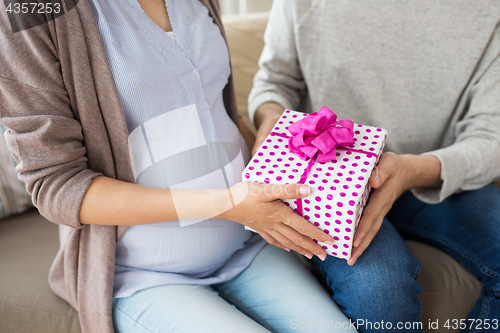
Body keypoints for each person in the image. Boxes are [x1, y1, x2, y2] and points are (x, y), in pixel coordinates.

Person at [0, 0, 360, 332]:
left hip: (246, 244)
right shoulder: (29, 9)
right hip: (145, 274)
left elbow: (215, 107)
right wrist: (228, 205)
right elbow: (58, 186)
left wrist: (282, 157)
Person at [249, 1, 500, 332]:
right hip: (329, 187)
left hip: (431, 171)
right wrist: (272, 124)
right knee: (382, 296)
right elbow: (274, 83)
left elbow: (490, 134)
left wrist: (412, 170)